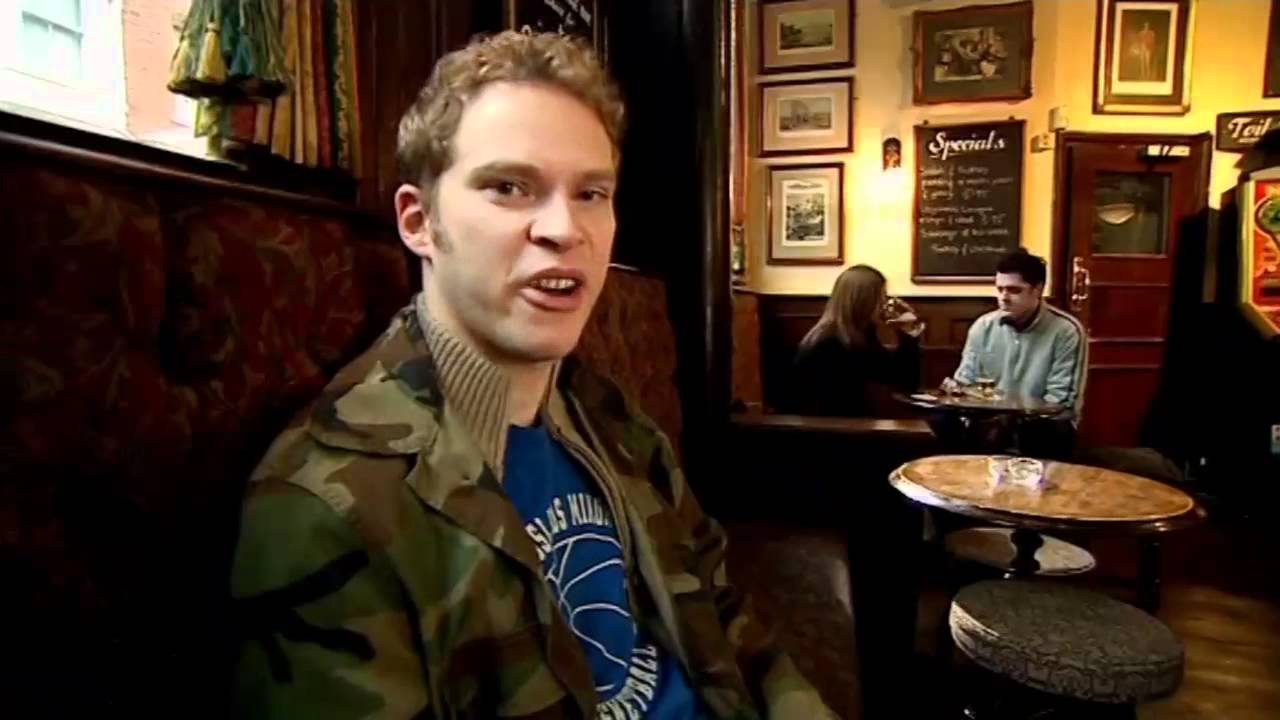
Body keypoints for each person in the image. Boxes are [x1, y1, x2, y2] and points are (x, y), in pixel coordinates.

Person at [230, 31, 834, 719]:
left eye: (591, 192)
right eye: (510, 187)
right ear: (419, 221)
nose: (564, 229)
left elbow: (726, 619)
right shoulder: (328, 502)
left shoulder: (609, 417)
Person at [947, 249, 1087, 457]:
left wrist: (1013, 418)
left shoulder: (1066, 331)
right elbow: (966, 383)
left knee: (1047, 429)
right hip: (990, 425)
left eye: (1014, 290)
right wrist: (956, 391)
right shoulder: (983, 327)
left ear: (1037, 290)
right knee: (945, 421)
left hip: (1042, 428)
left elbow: (1060, 402)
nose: (1003, 297)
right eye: (1000, 289)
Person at [785, 265, 924, 417]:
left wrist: (907, 335)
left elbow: (902, 380)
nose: (885, 303)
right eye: (881, 296)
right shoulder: (829, 342)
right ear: (864, 301)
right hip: (828, 427)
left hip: (849, 423)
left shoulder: (861, 335)